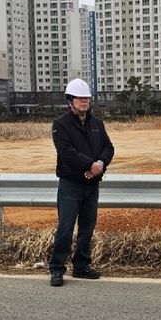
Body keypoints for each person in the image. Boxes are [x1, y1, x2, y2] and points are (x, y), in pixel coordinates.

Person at [49, 78, 114, 287]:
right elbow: (66, 152)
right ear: (70, 101)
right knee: (66, 227)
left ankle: (81, 266)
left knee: (87, 227)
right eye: (80, 98)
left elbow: (108, 148)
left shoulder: (97, 124)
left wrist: (100, 164)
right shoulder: (61, 124)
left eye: (86, 98)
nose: (84, 101)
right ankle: (57, 268)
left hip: (92, 184)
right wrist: (90, 165)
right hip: (70, 184)